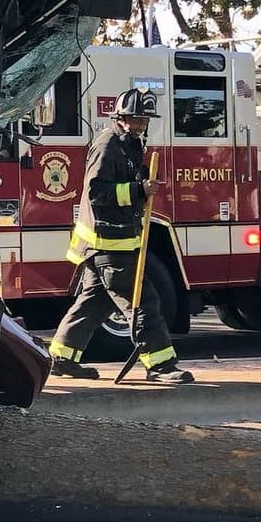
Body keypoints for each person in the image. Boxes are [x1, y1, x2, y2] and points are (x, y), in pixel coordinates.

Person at [47, 88, 193, 385]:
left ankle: (61, 358)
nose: (141, 125)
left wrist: (139, 186)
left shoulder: (129, 144)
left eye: (144, 120)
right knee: (142, 301)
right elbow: (97, 192)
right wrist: (139, 191)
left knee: (94, 302)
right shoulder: (108, 145)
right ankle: (160, 365)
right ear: (122, 118)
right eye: (137, 119)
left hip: (111, 241)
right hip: (108, 243)